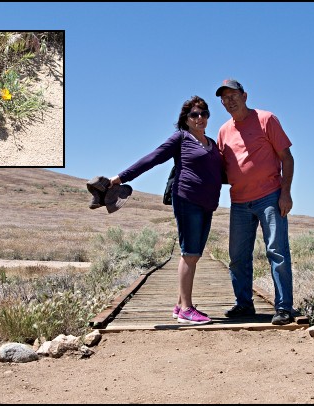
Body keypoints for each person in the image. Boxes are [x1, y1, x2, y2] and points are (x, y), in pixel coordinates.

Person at [109, 96, 223, 325]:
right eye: (194, 114)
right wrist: (121, 177)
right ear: (186, 119)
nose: (200, 118)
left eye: (204, 113)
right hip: (187, 200)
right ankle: (187, 309)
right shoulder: (181, 139)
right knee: (189, 253)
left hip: (207, 204)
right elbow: (153, 158)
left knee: (195, 255)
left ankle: (180, 305)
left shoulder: (212, 143)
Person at [215, 78, 295, 325]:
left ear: (245, 96)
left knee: (276, 251)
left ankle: (284, 307)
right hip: (239, 201)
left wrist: (285, 192)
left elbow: (287, 158)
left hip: (270, 197)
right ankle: (244, 305)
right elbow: (221, 169)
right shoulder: (223, 131)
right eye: (224, 98)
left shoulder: (266, 119)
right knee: (238, 256)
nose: (229, 101)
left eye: (233, 96)